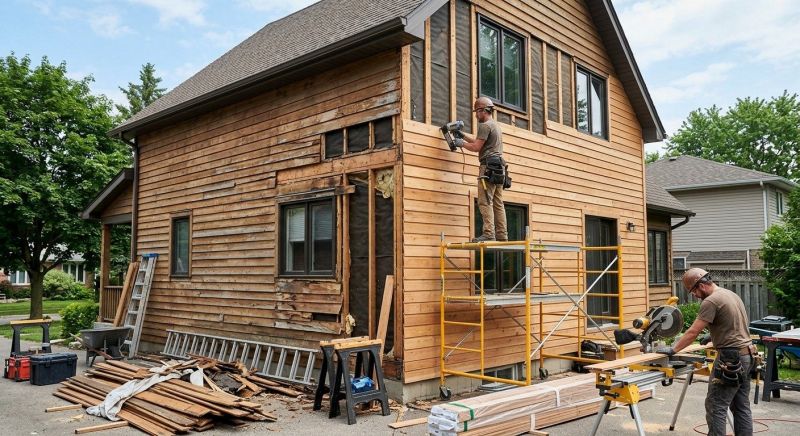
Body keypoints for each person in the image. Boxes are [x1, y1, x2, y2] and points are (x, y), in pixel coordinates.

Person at [655, 268, 755, 436]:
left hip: (730, 359)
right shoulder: (730, 294)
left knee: (716, 406)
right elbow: (734, 324)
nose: (694, 295)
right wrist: (713, 335)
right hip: (747, 355)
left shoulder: (711, 301)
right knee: (741, 406)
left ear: (701, 285)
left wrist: (673, 349)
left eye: (693, 291)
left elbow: (692, 332)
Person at [455, 97, 508, 242]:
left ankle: (489, 233)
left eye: (477, 112)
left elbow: (476, 147)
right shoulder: (495, 125)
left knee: (485, 201)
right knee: (498, 202)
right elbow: (479, 142)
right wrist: (463, 136)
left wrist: (461, 143)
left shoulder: (485, 126)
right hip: (499, 168)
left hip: (488, 168)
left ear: (483, 110)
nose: (476, 115)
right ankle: (502, 235)